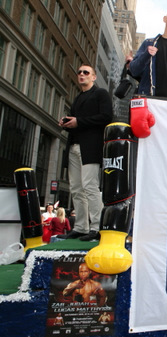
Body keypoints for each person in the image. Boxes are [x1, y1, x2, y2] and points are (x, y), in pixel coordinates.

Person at [58, 64, 112, 241]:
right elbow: (77, 123)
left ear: (94, 77)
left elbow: (106, 117)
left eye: (86, 72)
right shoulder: (78, 97)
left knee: (90, 186)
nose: (81, 74)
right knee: (76, 188)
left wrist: (79, 121)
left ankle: (97, 227)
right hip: (74, 146)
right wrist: (67, 123)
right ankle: (81, 227)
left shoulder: (101, 94)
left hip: (91, 148)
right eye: (79, 72)